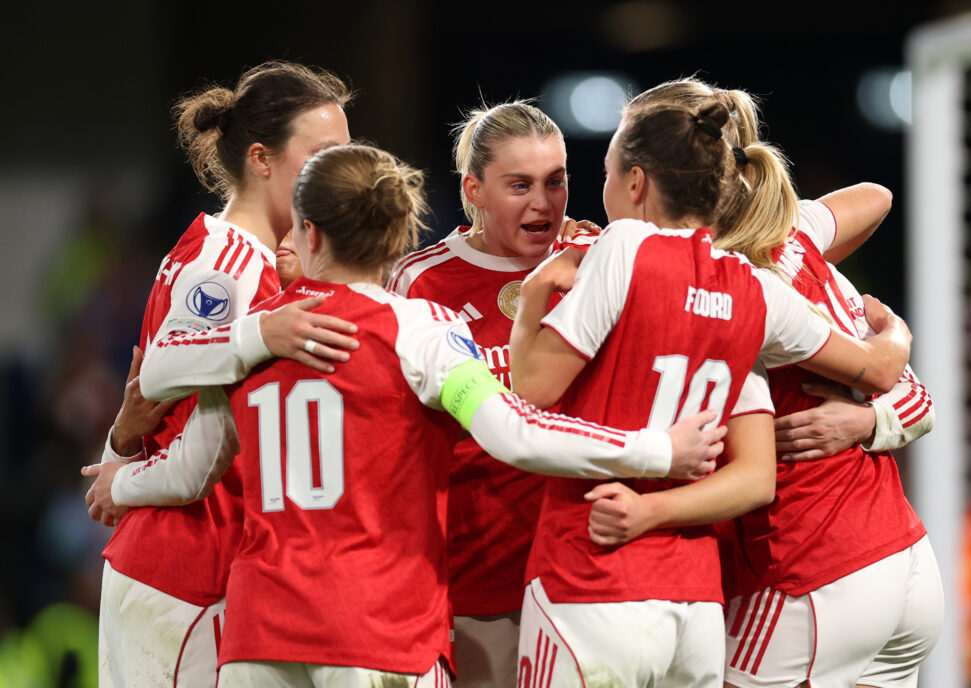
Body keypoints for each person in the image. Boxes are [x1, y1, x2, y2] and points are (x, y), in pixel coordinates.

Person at [83, 143, 731, 686]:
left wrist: (122, 482)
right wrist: (657, 451)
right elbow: (517, 432)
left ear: (308, 231)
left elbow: (193, 465)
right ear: (399, 236)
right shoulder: (423, 330)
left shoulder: (257, 334)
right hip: (377, 629)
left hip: (261, 632)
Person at [507, 98, 912, 687]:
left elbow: (533, 390)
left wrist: (534, 297)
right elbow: (762, 471)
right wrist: (896, 334)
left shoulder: (620, 247)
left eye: (606, 173)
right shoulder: (753, 288)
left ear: (637, 181)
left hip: (593, 577)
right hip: (697, 604)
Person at [95, 60, 358, 687]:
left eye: (347, 156)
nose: (340, 176)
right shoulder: (228, 265)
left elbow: (147, 408)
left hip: (190, 565)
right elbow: (163, 384)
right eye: (322, 156)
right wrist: (119, 474)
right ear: (262, 160)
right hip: (184, 569)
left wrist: (120, 450)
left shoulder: (234, 251)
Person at [386, 100, 603, 687]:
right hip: (473, 571)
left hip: (582, 568)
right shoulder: (419, 281)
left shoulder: (598, 262)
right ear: (474, 191)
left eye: (556, 182)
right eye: (520, 185)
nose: (544, 203)